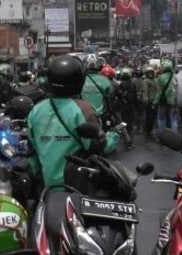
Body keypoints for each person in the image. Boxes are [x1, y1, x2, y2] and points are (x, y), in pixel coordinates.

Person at [27, 55, 119, 187]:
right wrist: (114, 135)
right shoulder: (83, 109)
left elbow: (31, 149)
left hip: (47, 187)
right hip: (75, 186)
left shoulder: (36, 110)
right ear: (79, 82)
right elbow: (97, 146)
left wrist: (39, 176)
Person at [81, 55, 115, 126]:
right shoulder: (105, 81)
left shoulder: (79, 81)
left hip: (82, 117)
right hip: (100, 118)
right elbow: (110, 98)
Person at [155, 58, 178, 131]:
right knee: (173, 118)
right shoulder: (175, 76)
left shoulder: (160, 78)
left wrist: (154, 102)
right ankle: (175, 134)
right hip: (173, 101)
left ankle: (162, 134)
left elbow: (159, 92)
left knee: (161, 117)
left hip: (163, 101)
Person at [140, 65, 160, 138]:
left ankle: (148, 130)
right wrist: (147, 101)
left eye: (151, 72)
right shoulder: (146, 81)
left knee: (152, 117)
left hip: (155, 101)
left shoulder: (155, 80)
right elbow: (145, 92)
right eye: (149, 73)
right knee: (150, 117)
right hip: (150, 102)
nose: (151, 74)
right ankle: (148, 131)